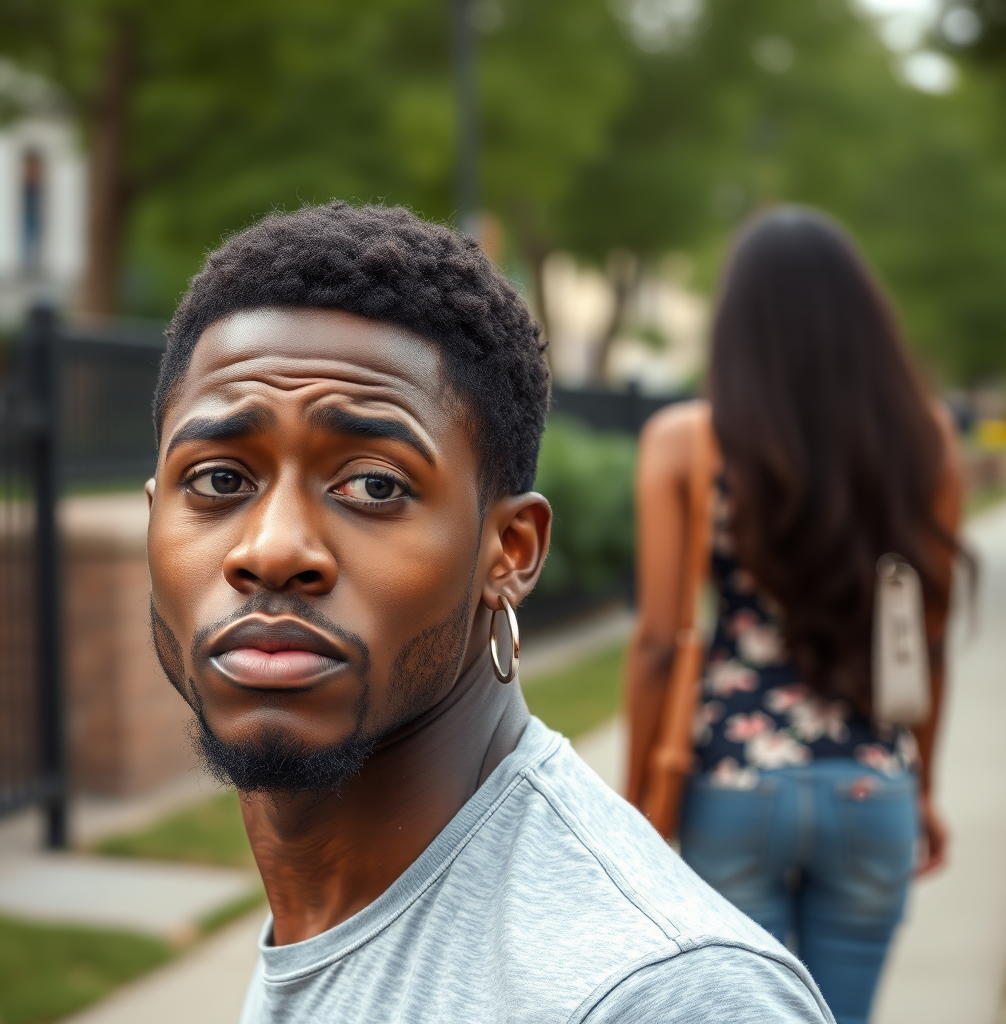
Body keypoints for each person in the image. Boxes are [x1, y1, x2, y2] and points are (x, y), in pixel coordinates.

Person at [145, 202, 833, 1023]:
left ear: (509, 552)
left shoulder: (660, 992)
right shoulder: (327, 906)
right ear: (153, 515)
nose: (274, 548)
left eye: (374, 484)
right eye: (220, 479)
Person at [626, 207, 966, 1024]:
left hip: (732, 784)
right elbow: (925, 640)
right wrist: (921, 787)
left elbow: (656, 647)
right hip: (870, 786)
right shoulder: (923, 442)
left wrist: (635, 804)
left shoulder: (688, 443)